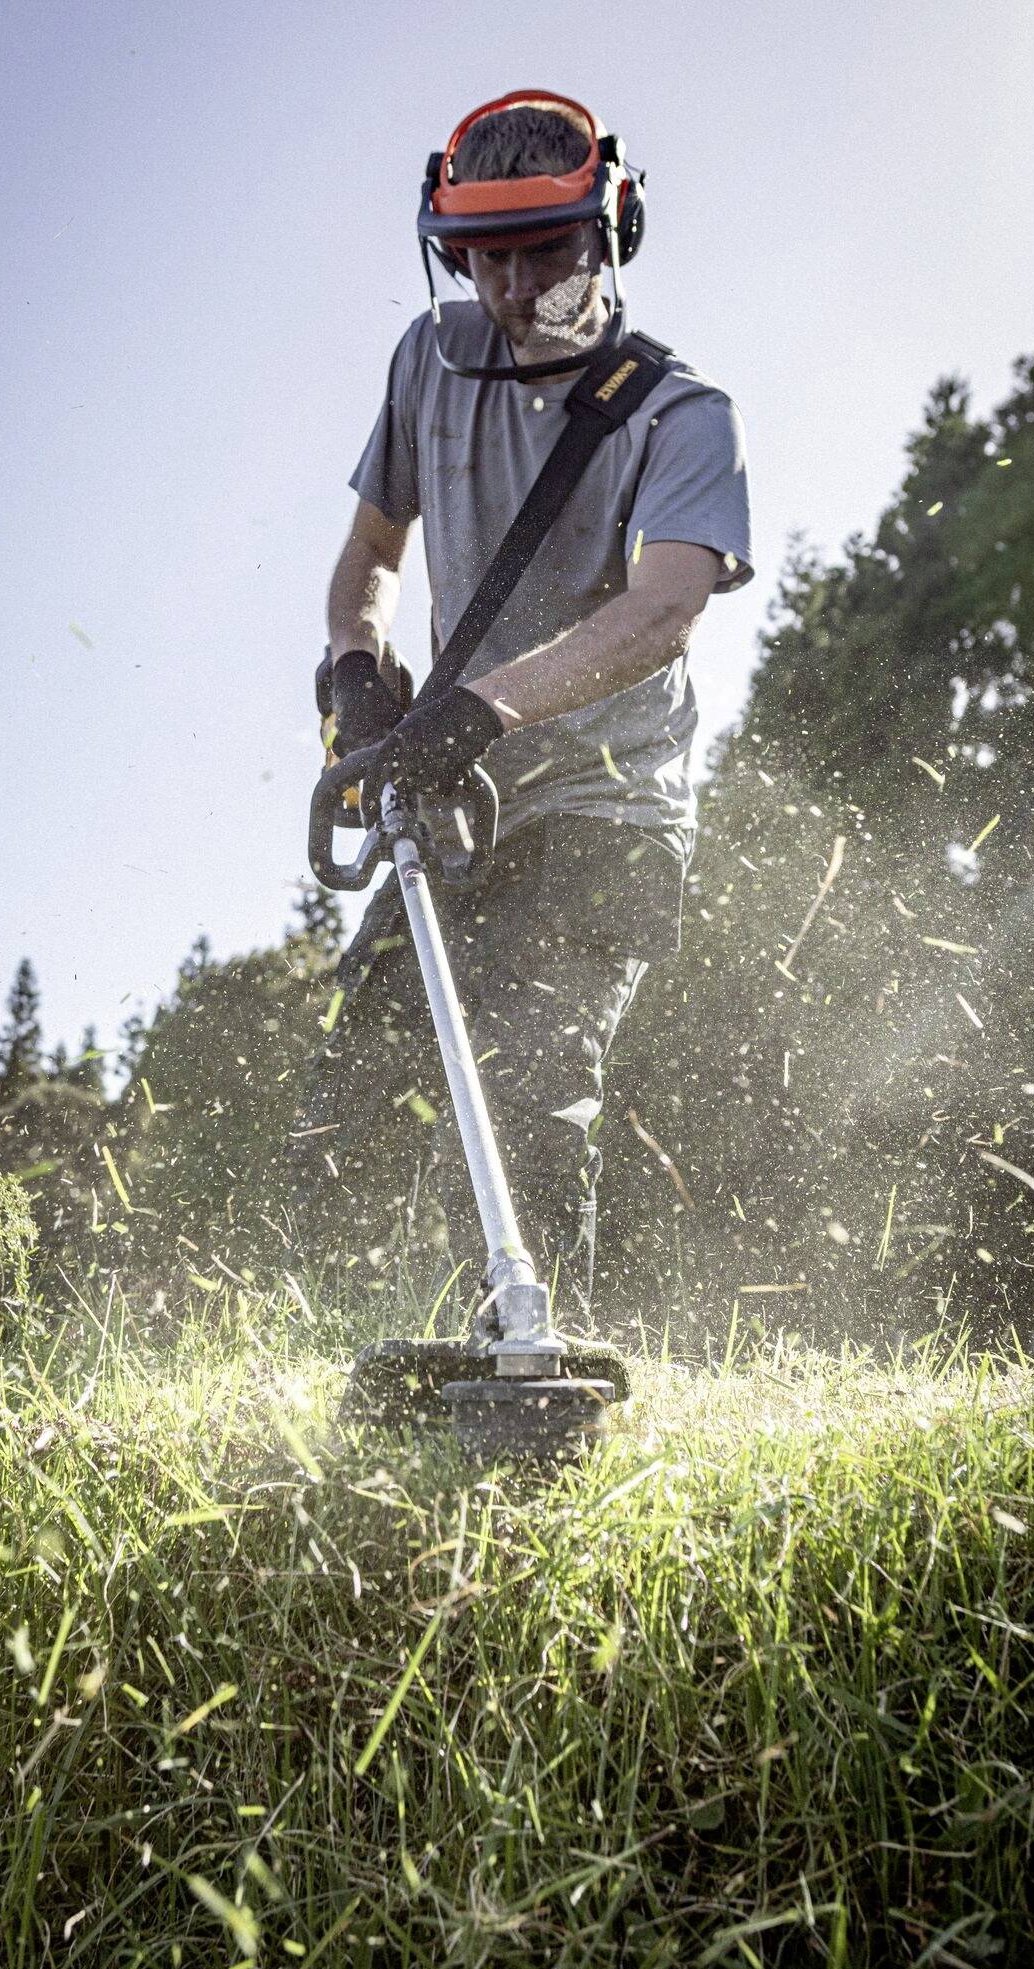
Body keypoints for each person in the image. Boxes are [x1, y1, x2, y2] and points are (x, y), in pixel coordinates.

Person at [289, 90, 753, 1326]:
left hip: (608, 803)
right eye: (481, 255)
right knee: (354, 1093)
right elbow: (372, 557)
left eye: (543, 248)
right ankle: (341, 1360)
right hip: (455, 801)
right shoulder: (425, 360)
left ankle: (536, 1365)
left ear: (612, 226)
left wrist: (481, 709)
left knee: (534, 1075)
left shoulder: (677, 415)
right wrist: (353, 660)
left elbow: (661, 610)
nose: (507, 285)